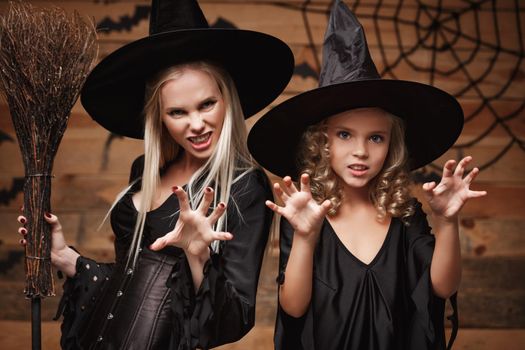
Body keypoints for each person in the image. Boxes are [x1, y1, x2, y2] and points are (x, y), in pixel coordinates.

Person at [17, 0, 294, 349]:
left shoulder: (243, 186)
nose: (196, 124)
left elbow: (234, 319)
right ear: (158, 117)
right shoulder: (144, 171)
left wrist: (198, 256)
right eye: (177, 112)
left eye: (207, 104)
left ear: (228, 99)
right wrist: (66, 258)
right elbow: (127, 287)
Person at [247, 1, 486, 349]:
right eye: (345, 135)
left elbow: (442, 287)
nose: (361, 151)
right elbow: (293, 307)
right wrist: (304, 237)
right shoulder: (306, 217)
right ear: (322, 141)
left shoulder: (405, 215)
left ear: (392, 145)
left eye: (376, 137)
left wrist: (448, 222)